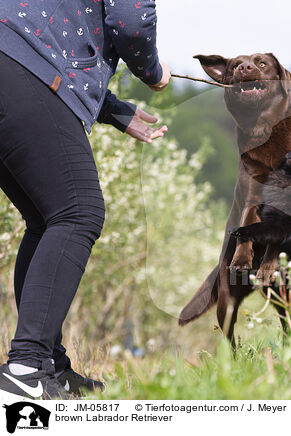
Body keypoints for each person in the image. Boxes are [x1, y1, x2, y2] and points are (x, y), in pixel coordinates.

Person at [0, 0, 171, 399]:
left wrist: (112, 110)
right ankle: (25, 370)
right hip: (18, 64)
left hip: (13, 61)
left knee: (48, 218)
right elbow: (131, 22)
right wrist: (153, 71)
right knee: (77, 213)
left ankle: (46, 366)